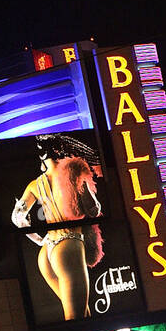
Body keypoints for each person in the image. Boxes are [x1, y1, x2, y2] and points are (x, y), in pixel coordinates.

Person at [11, 133, 103, 319]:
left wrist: (40, 240)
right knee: (75, 318)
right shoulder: (74, 173)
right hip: (69, 247)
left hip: (46, 254)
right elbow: (93, 211)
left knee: (83, 314)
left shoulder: (35, 184)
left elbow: (17, 217)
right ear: (60, 151)